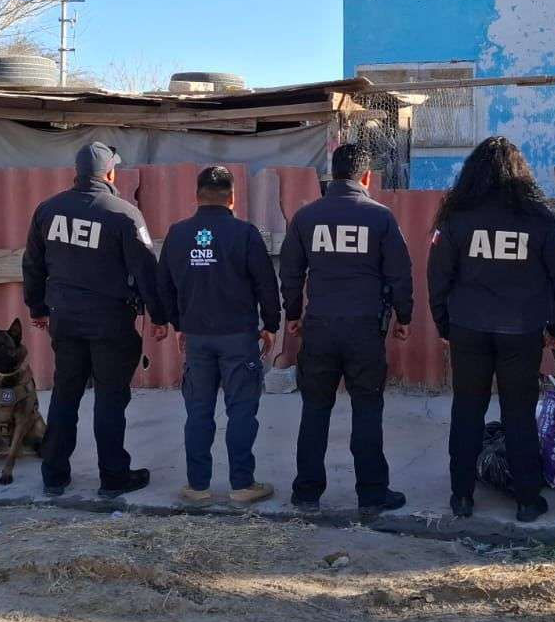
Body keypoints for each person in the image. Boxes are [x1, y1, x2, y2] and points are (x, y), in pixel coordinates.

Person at [428, 136, 555, 523]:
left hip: (468, 327)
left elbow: (438, 276)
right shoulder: (540, 219)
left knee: (467, 410)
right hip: (521, 331)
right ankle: (527, 500)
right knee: (519, 413)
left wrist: (444, 324)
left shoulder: (456, 217)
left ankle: (462, 497)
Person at [281, 144, 413, 517]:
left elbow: (291, 273)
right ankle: (372, 494)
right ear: (366, 176)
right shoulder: (380, 217)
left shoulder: (306, 217)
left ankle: (307, 492)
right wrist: (404, 317)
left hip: (320, 327)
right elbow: (399, 274)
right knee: (367, 408)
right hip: (364, 329)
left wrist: (293, 313)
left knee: (315, 408)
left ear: (332, 174)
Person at [22, 142, 159, 500]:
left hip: (65, 320)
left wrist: (37, 307)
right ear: (110, 173)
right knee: (110, 398)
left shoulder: (48, 210)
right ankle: (113, 478)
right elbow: (146, 270)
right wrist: (160, 315)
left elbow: (32, 263)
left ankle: (54, 476)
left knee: (65, 394)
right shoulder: (124, 214)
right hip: (110, 321)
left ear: (78, 172)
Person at [155, 166, 281, 505]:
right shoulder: (245, 233)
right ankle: (242, 485)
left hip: (197, 338)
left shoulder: (178, 234)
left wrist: (178, 323)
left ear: (196, 196)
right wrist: (271, 325)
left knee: (198, 411)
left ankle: (197, 487)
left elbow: (163, 285)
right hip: (239, 337)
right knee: (241, 411)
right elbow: (266, 284)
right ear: (232, 197)